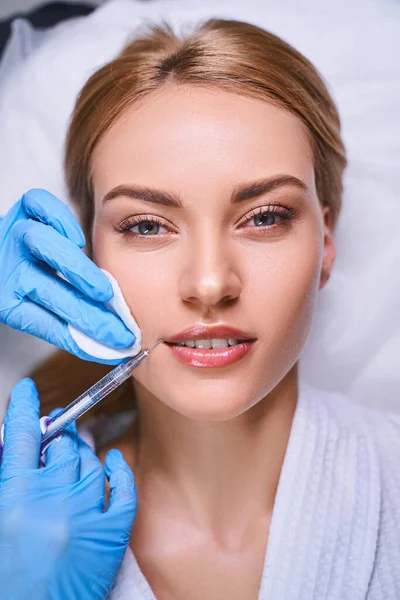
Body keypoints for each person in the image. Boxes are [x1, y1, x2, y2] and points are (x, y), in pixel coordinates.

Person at [0, 16, 399, 600]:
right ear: (83, 256)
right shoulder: (17, 535)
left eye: (264, 217)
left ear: (326, 244)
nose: (210, 283)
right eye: (145, 226)